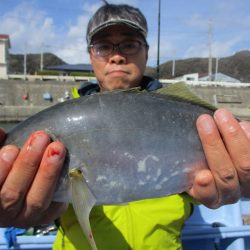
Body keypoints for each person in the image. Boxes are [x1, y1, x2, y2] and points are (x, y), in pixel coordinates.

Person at [0, 2, 250, 250]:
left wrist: (245, 184)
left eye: (129, 44)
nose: (117, 56)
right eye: (103, 46)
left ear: (146, 52)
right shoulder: (60, 123)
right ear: (90, 55)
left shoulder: (182, 116)